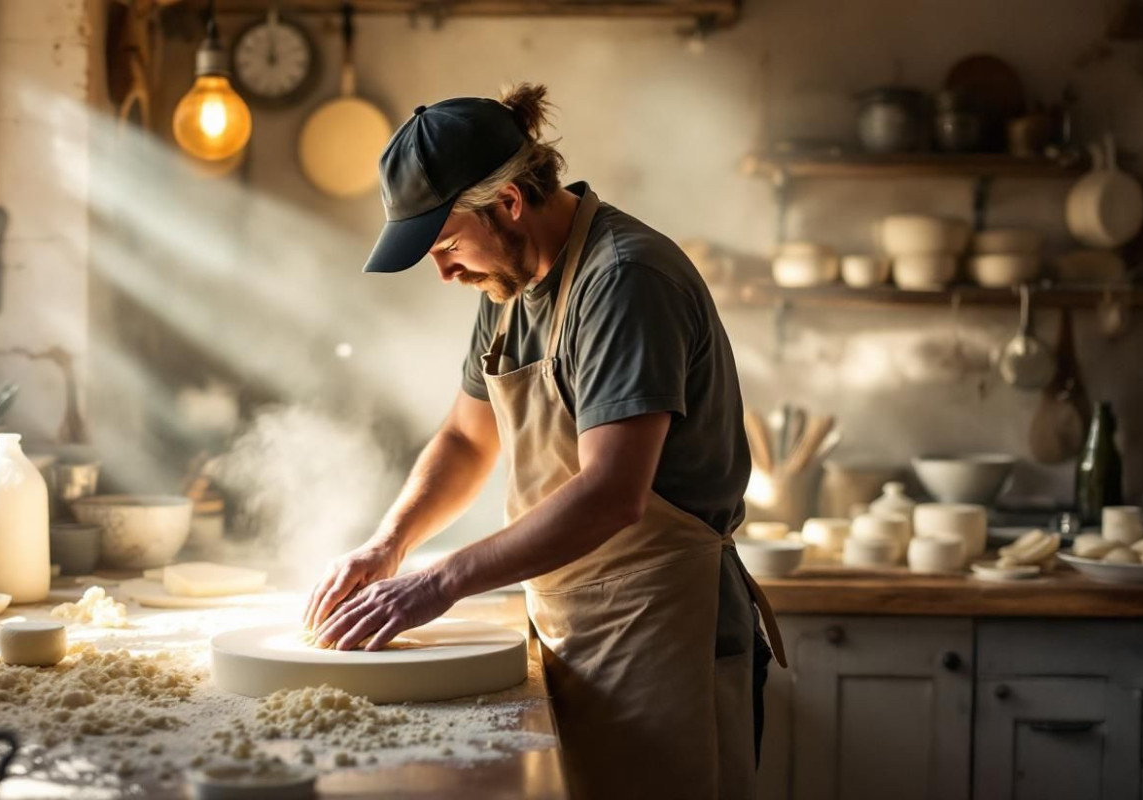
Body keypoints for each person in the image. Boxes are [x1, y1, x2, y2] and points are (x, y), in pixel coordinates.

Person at [302, 83, 785, 799]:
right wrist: (391, 542)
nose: (444, 271)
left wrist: (439, 583)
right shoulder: (509, 284)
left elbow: (613, 494)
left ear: (508, 203)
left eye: (446, 245)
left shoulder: (623, 280)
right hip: (571, 617)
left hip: (662, 626)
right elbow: (468, 439)